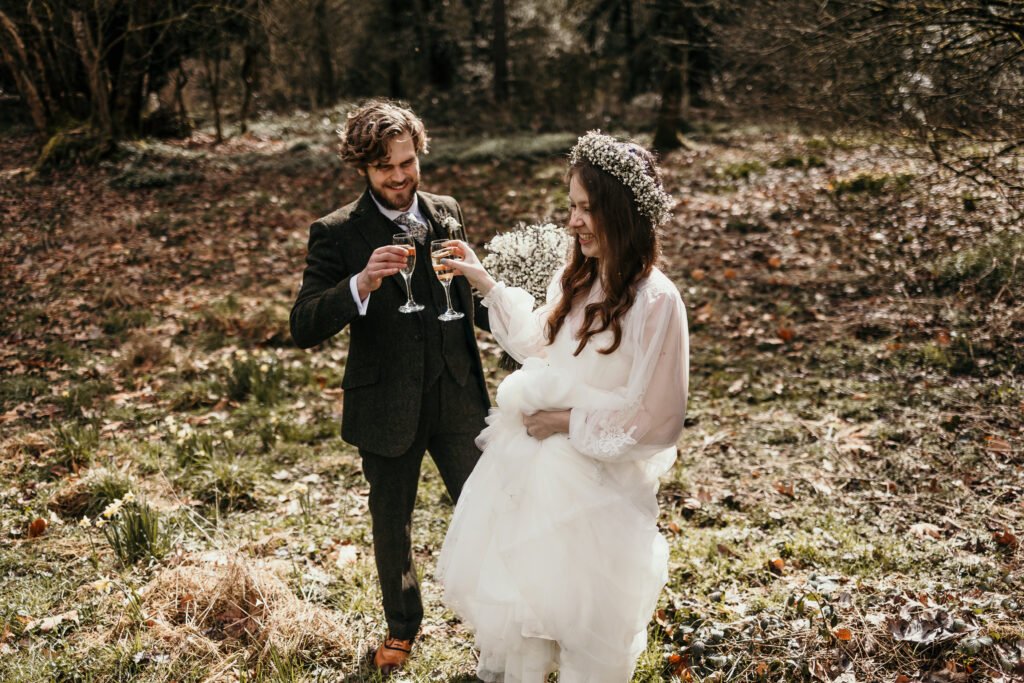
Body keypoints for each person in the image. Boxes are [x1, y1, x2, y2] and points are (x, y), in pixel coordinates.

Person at [436, 131, 689, 682]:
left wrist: (567, 422)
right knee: (528, 598)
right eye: (571, 206)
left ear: (622, 212)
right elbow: (538, 343)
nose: (573, 222)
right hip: (534, 472)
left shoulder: (656, 301)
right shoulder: (575, 279)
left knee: (582, 614)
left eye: (586, 208)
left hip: (597, 490)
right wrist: (485, 282)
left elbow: (661, 419)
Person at [289, 99, 491, 675]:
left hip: (458, 393)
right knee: (392, 523)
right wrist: (359, 283)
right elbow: (303, 325)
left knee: (487, 512)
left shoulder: (447, 211)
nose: (400, 177)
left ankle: (499, 622)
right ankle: (402, 627)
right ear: (362, 167)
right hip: (385, 401)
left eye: (408, 163)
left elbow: (468, 300)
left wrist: (521, 316)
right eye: (385, 168)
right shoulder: (336, 232)